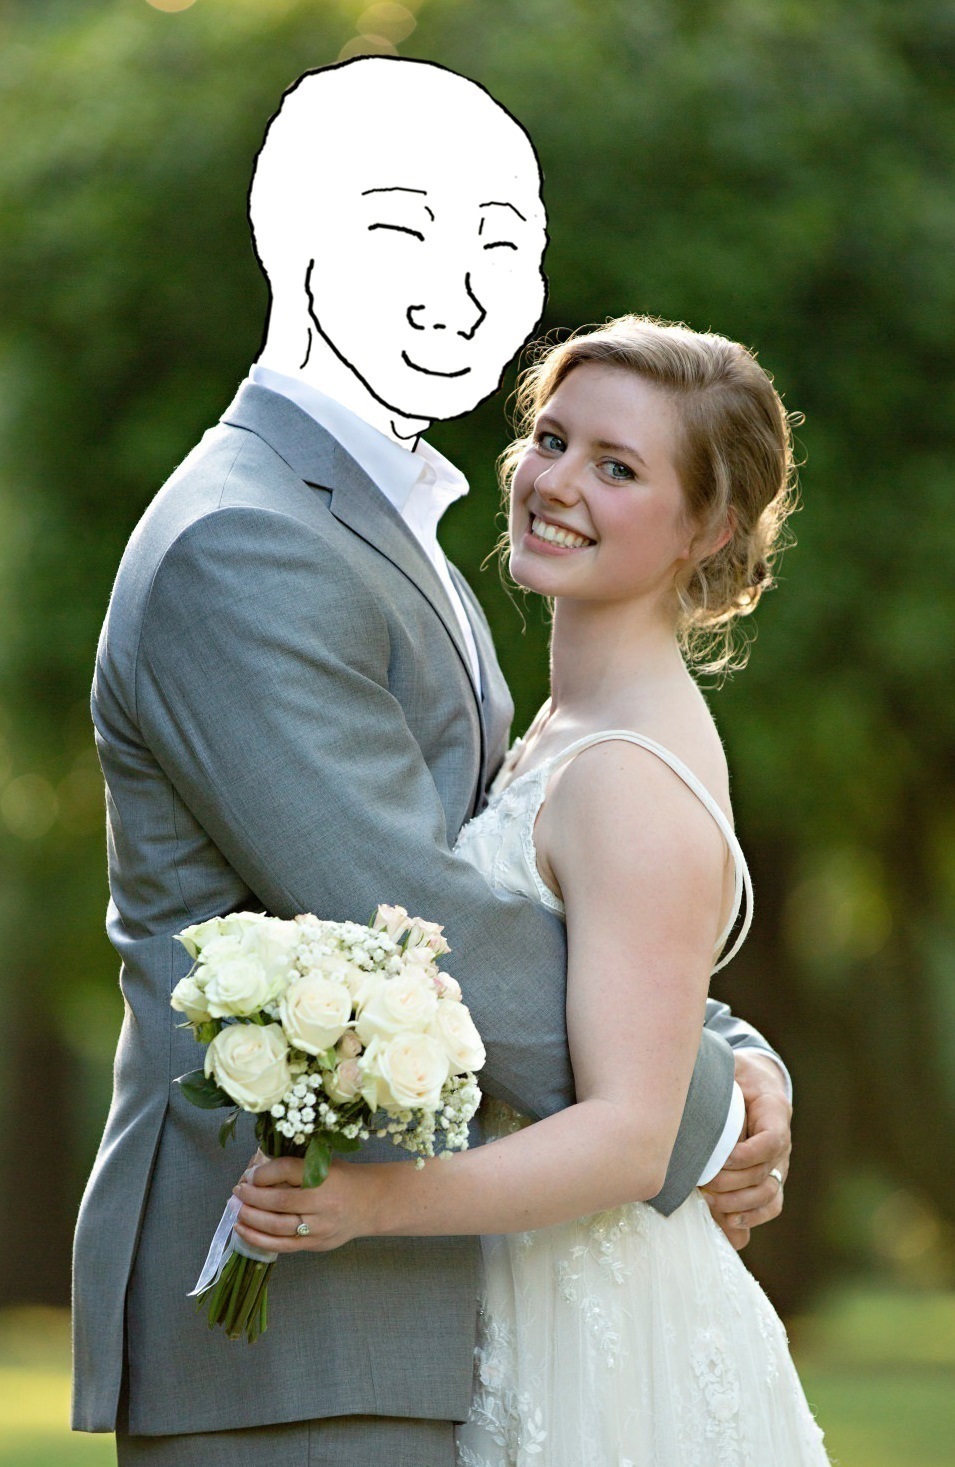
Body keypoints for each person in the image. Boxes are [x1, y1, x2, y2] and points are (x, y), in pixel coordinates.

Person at [71, 56, 792, 1467]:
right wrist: (698, 1108)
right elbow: (413, 908)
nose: (461, 292)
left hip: (400, 1287)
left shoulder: (385, 527)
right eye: (406, 230)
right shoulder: (246, 539)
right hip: (284, 1306)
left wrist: (712, 1056)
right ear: (292, 233)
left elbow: (555, 900)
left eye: (501, 248)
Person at [231, 316, 829, 1465]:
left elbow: (629, 1140)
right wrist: (744, 1057)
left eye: (618, 468)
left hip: (611, 1346)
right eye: (552, 441)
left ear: (706, 527)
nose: (555, 484)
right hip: (530, 1298)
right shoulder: (563, 725)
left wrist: (366, 1205)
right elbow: (588, 978)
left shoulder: (626, 775)